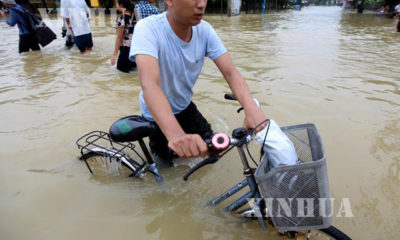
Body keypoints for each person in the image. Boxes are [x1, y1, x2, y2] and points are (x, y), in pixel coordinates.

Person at [129, 0, 267, 165]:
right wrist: (176, 135)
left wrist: (251, 108)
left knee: (214, 152)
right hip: (156, 115)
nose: (202, 4)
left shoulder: (205, 30)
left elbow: (231, 73)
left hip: (185, 105)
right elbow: (150, 84)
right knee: (166, 169)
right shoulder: (147, 28)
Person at [111, 0, 137, 73]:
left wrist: (114, 55)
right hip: (135, 53)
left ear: (121, 5)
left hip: (125, 53)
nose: (116, 6)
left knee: (121, 77)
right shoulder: (135, 17)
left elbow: (119, 37)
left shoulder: (122, 18)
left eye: (117, 4)